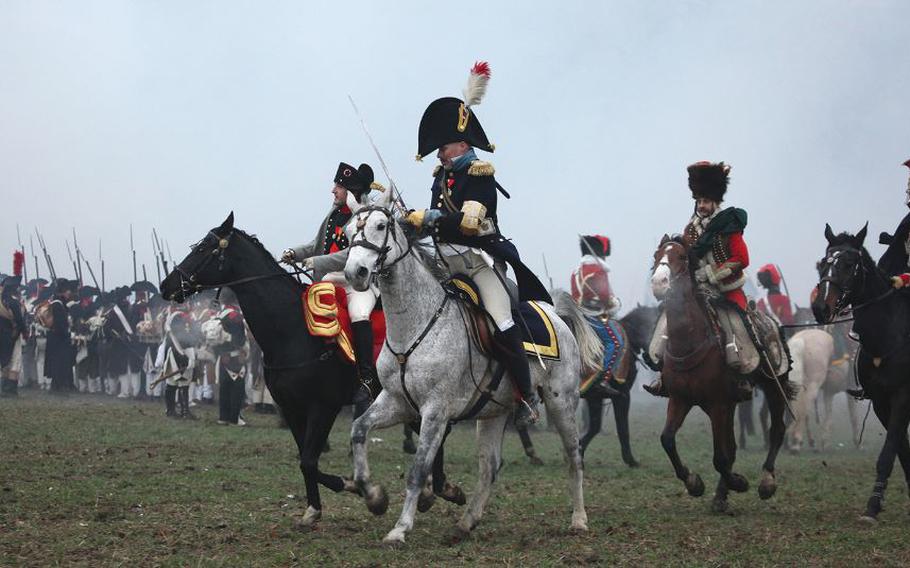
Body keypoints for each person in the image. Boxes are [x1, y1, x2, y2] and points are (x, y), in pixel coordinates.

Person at [404, 61, 551, 426]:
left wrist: (431, 217)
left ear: (462, 144)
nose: (439, 154)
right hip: (442, 262)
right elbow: (434, 228)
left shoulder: (480, 175)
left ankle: (527, 397)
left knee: (502, 321)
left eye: (444, 147)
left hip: (477, 261)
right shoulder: (442, 178)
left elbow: (470, 223)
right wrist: (412, 224)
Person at [645, 161, 763, 398]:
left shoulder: (729, 224)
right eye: (699, 202)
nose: (702, 206)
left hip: (726, 290)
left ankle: (743, 376)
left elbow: (742, 258)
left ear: (715, 203)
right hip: (697, 289)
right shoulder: (690, 230)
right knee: (669, 317)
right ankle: (663, 373)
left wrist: (711, 274)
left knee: (736, 326)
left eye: (706, 201)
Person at [281, 162, 383, 400]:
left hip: (356, 283)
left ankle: (367, 377)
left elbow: (353, 255)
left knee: (359, 314)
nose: (333, 190)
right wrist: (295, 253)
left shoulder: (364, 216)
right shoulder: (333, 214)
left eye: (338, 186)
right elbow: (315, 245)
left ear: (350, 191)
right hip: (329, 278)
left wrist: (318, 262)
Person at [571, 235, 624, 398]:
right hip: (593, 316)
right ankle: (601, 381)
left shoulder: (576, 271)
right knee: (616, 343)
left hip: (578, 316)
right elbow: (604, 297)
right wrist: (615, 303)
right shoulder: (598, 270)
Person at [0, 253, 26, 396]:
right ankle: (10, 389)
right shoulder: (13, 302)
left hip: (2, 334)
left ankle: (4, 388)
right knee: (15, 361)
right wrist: (24, 331)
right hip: (13, 334)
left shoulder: (2, 300)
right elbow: (19, 320)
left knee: (4, 360)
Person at [45, 278, 78, 392]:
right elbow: (60, 324)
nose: (69, 293)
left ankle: (58, 385)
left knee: (59, 363)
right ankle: (57, 387)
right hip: (59, 338)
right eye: (68, 290)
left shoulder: (58, 302)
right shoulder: (58, 304)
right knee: (58, 363)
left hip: (57, 338)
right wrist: (68, 334)